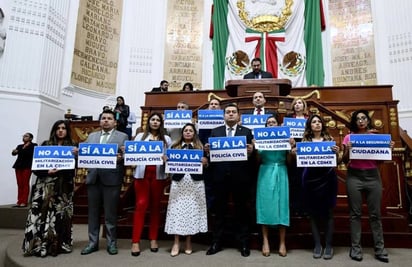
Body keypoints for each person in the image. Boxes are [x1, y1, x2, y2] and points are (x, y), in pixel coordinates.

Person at [342, 110, 393, 263]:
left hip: (372, 176)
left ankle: (380, 249)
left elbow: (380, 161)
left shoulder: (376, 137)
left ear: (367, 120)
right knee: (355, 214)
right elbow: (344, 161)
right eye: (358, 119)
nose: (361, 121)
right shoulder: (348, 137)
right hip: (354, 176)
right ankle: (356, 248)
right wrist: (348, 149)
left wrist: (387, 149)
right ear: (354, 122)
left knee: (375, 214)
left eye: (363, 118)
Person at [205, 103, 255, 257]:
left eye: (234, 112)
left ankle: (244, 243)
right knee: (219, 211)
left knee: (241, 211)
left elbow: (252, 156)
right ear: (224, 115)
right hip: (220, 177)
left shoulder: (246, 132)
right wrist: (207, 151)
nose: (231, 114)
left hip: (240, 177)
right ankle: (216, 242)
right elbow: (210, 156)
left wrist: (252, 151)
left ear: (238, 115)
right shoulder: (216, 131)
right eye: (228, 112)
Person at [22, 120, 77, 257]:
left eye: (63, 128)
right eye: (58, 128)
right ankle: (37, 245)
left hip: (63, 187)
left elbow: (72, 170)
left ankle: (56, 246)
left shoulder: (72, 147)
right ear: (54, 130)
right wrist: (47, 172)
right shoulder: (45, 145)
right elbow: (35, 168)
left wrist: (76, 156)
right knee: (41, 215)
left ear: (67, 131)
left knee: (59, 217)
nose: (60, 130)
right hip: (43, 186)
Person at [81, 109, 128, 256]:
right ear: (100, 121)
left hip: (112, 179)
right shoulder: (91, 136)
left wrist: (122, 156)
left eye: (109, 118)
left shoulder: (123, 136)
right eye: (103, 118)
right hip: (93, 178)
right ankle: (92, 243)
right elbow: (85, 155)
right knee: (93, 213)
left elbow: (128, 156)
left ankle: (111, 243)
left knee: (110, 214)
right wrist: (78, 153)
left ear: (115, 122)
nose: (106, 120)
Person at [292, 114, 339, 260]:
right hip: (310, 180)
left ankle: (329, 246)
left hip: (328, 178)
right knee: (312, 214)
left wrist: (337, 153)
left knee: (329, 214)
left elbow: (335, 161)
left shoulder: (329, 140)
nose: (317, 124)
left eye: (319, 122)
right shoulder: (304, 141)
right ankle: (318, 245)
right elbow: (298, 160)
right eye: (314, 122)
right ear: (309, 125)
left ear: (322, 125)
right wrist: (293, 153)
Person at [131, 112, 172, 256]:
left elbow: (170, 158)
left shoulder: (166, 139)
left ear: (161, 123)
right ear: (148, 122)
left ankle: (153, 239)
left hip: (158, 175)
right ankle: (135, 241)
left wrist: (166, 158)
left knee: (155, 206)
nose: (155, 122)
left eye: (158, 120)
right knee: (141, 205)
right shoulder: (139, 137)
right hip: (142, 175)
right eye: (153, 120)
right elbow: (132, 156)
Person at [165, 123, 208, 257]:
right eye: (186, 130)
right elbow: (169, 167)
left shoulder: (200, 147)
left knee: (192, 211)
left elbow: (207, 166)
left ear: (194, 133)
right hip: (179, 182)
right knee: (177, 212)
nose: (188, 132)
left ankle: (189, 241)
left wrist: (206, 162)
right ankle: (176, 242)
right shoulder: (174, 147)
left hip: (195, 183)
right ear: (182, 133)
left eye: (190, 130)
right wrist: (166, 160)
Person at [256, 115, 292, 258]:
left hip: (281, 171)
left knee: (282, 206)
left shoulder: (284, 138)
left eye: (273, 122)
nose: (271, 124)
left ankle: (282, 242)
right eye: (268, 123)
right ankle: (265, 241)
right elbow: (257, 160)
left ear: (278, 124)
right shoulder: (261, 139)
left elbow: (289, 161)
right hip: (265, 172)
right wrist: (256, 147)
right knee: (265, 205)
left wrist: (290, 148)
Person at [287, 97, 309, 216]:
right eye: (295, 103)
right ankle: (294, 207)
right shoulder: (289, 119)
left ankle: (305, 207)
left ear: (304, 106)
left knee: (305, 180)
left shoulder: (309, 119)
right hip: (293, 152)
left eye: (300, 103)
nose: (297, 105)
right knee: (294, 180)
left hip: (306, 152)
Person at [198, 98, 221, 210]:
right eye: (211, 104)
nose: (213, 106)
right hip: (205, 158)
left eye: (216, 104)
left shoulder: (224, 120)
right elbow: (199, 140)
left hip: (221, 158)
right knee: (207, 187)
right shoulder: (202, 122)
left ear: (220, 108)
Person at [11, 132, 37, 207]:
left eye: (26, 136)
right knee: (19, 184)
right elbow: (13, 153)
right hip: (18, 166)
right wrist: (14, 151)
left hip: (27, 166)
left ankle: (24, 201)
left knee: (25, 183)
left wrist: (19, 151)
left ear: (31, 138)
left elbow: (29, 153)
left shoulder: (34, 145)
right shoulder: (19, 146)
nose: (24, 137)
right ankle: (19, 201)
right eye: (24, 136)